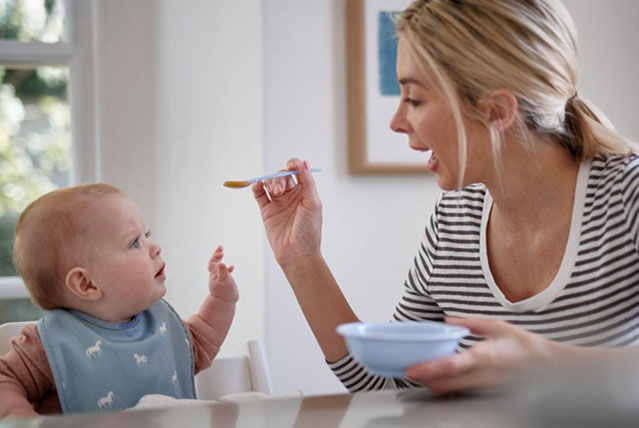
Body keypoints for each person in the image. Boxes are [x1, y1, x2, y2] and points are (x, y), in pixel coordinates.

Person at [252, 0, 639, 395]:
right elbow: (390, 385)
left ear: (497, 110)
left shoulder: (628, 194)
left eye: (415, 99)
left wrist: (547, 364)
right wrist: (302, 260)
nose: (397, 121)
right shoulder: (455, 219)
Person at [0, 183, 239, 417]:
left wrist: (222, 300)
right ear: (87, 284)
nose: (155, 248)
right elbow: (5, 379)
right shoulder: (48, 345)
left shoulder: (161, 325)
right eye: (135, 242)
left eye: (146, 235)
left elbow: (198, 342)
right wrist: (18, 416)